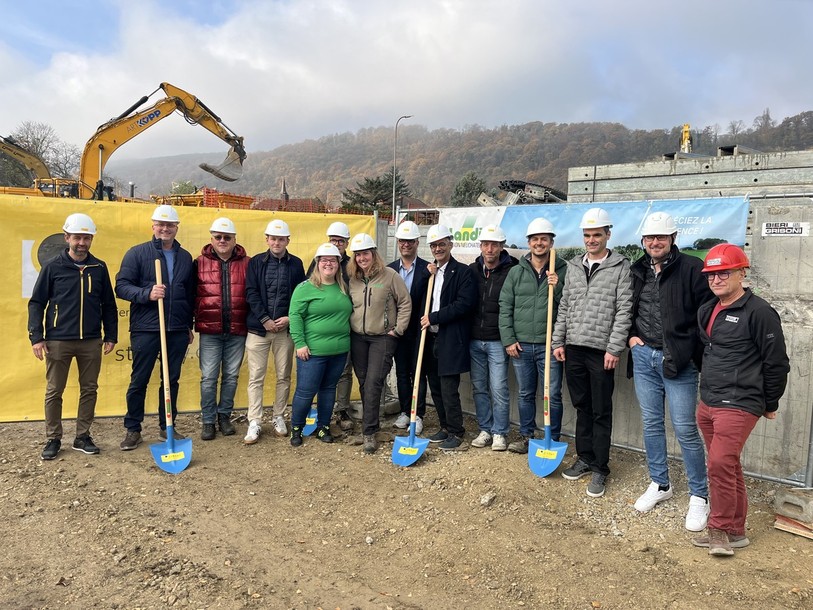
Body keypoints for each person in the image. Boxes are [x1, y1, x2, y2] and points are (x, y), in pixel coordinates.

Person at [691, 244, 789, 557]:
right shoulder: (708, 309)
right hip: (708, 401)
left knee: (719, 463)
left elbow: (776, 362)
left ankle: (718, 530)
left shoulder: (760, 312)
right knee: (727, 466)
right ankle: (736, 531)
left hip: (740, 403)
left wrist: (770, 402)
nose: (716, 279)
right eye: (711, 274)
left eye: (724, 272)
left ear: (741, 273)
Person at [627, 212, 714, 530]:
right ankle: (661, 484)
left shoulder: (691, 268)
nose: (654, 242)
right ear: (643, 241)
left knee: (685, 429)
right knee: (651, 424)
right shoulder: (637, 269)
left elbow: (706, 316)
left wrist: (689, 353)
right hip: (644, 357)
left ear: (673, 239)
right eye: (650, 238)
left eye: (660, 237)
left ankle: (699, 496)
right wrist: (630, 339)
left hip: (678, 362)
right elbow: (627, 307)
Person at [552, 207, 633, 497]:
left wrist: (614, 348)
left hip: (601, 352)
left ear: (607, 234)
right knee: (582, 406)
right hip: (573, 348)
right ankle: (584, 458)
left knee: (601, 410)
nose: (591, 240)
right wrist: (557, 341)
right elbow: (565, 306)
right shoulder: (574, 267)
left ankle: (600, 467)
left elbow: (624, 310)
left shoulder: (621, 268)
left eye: (596, 234)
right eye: (587, 235)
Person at [28, 213, 118, 460]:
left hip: (90, 340)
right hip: (58, 340)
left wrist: (110, 335)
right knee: (54, 390)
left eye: (87, 238)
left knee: (89, 388)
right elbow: (37, 303)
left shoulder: (99, 268)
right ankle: (53, 438)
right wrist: (37, 337)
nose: (82, 242)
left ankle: (82, 436)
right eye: (77, 237)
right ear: (67, 237)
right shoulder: (52, 267)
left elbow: (108, 304)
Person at [116, 204, 195, 451]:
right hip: (147, 328)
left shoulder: (185, 257)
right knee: (139, 379)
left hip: (177, 328)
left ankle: (166, 426)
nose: (165, 229)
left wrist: (188, 325)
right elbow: (121, 286)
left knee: (171, 380)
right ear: (153, 226)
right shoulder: (137, 253)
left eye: (170, 225)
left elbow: (189, 295)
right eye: (160, 224)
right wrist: (146, 293)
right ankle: (133, 429)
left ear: (176, 227)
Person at [498, 218, 565, 453]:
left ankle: (552, 438)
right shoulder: (516, 272)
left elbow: (568, 306)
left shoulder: (561, 270)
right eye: (535, 239)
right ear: (529, 242)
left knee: (553, 395)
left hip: (550, 345)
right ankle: (527, 436)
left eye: (544, 239)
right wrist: (508, 339)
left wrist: (556, 288)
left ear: (550, 242)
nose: (539, 243)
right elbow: (505, 306)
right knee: (526, 394)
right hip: (522, 345)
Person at [347, 233, 411, 454]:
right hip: (358, 337)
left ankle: (369, 432)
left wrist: (398, 329)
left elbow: (405, 303)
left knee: (374, 381)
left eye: (365, 253)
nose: (362, 258)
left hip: (382, 337)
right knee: (364, 381)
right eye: (358, 255)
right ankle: (370, 424)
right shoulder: (352, 279)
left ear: (373, 254)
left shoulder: (390, 276)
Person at [244, 219, 306, 444]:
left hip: (284, 331)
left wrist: (290, 319)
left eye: (281, 238)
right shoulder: (256, 263)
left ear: (288, 240)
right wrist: (264, 319)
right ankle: (255, 420)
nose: (277, 242)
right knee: (256, 377)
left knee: (283, 376)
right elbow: (251, 292)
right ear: (267, 239)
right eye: (273, 238)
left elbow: (300, 296)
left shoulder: (296, 264)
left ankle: (279, 416)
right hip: (258, 330)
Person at [289, 243, 353, 446]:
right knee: (306, 392)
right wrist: (300, 343)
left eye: (332, 260)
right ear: (317, 263)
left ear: (338, 263)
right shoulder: (305, 288)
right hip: (312, 352)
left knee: (328, 390)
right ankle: (297, 428)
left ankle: (323, 427)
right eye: (324, 260)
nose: (328, 263)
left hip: (339, 350)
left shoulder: (343, 287)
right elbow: (295, 316)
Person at [193, 217, 251, 441]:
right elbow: (191, 295)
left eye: (227, 237)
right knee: (208, 378)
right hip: (210, 330)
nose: (222, 240)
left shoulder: (248, 263)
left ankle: (224, 416)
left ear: (235, 239)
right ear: (211, 239)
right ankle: (208, 421)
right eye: (218, 237)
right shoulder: (199, 262)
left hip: (237, 329)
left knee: (231, 376)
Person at [421, 224, 477, 452]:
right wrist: (427, 277)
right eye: (434, 245)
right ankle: (444, 426)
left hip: (450, 339)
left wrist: (434, 317)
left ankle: (456, 431)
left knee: (448, 388)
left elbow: (464, 304)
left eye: (441, 244)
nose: (437, 248)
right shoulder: (430, 273)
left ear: (450, 244)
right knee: (434, 385)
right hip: (431, 338)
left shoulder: (463, 272)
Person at [468, 225, 518, 451]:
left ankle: (500, 432)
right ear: (480, 247)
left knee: (498, 387)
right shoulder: (472, 270)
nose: (490, 249)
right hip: (474, 339)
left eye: (494, 244)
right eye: (486, 244)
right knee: (479, 387)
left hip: (498, 340)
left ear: (501, 246)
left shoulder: (512, 270)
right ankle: (485, 429)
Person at [306, 221, 355, 431]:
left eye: (341, 241)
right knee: (318, 372)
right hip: (320, 329)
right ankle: (316, 410)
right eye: (333, 240)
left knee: (344, 371)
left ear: (346, 243)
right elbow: (307, 290)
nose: (337, 243)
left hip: (345, 327)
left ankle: (342, 410)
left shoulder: (353, 265)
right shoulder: (318, 262)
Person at [388, 221, 431, 436]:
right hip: (398, 332)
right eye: (402, 241)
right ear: (398, 243)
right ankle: (405, 411)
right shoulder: (390, 270)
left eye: (410, 241)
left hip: (419, 331)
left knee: (418, 374)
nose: (406, 245)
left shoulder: (428, 269)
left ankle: (418, 414)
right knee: (402, 373)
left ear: (417, 242)